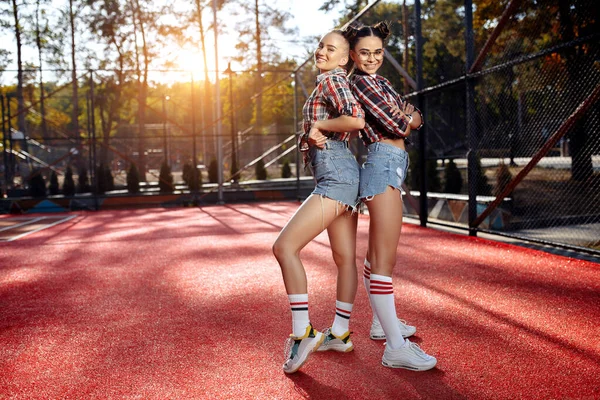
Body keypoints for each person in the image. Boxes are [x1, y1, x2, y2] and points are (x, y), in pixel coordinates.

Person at [272, 29, 365, 374]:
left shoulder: (332, 80)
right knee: (344, 259)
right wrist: (313, 134)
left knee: (284, 248)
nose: (321, 51)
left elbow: (355, 119)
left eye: (331, 48)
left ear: (344, 58)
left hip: (337, 176)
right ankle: (339, 333)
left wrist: (318, 126)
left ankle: (303, 333)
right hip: (342, 172)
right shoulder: (331, 81)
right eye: (320, 46)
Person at [346, 22, 437, 371]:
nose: (372, 58)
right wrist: (409, 118)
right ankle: (396, 348)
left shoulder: (381, 82)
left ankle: (380, 324)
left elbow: (415, 113)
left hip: (393, 165)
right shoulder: (360, 83)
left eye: (378, 52)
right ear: (353, 55)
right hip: (382, 165)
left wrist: (410, 115)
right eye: (364, 53)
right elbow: (402, 124)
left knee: (376, 258)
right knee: (384, 261)